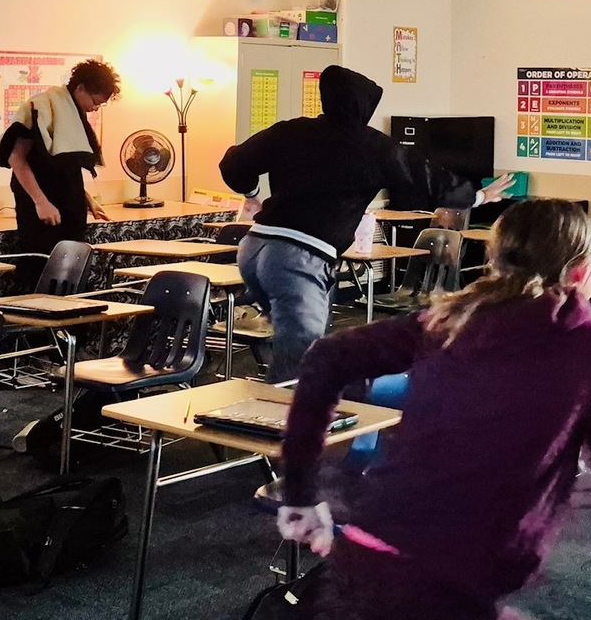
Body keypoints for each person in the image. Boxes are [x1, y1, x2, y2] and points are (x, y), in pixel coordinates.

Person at [276, 198, 591, 620]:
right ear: (582, 273)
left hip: (361, 565)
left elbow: (323, 359)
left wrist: (299, 492)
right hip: (441, 593)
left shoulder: (451, 318)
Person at [218, 64, 512, 384]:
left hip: (253, 249)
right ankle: (283, 426)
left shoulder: (291, 130)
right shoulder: (371, 145)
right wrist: (479, 196)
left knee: (292, 338)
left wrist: (251, 193)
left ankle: (277, 409)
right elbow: (425, 180)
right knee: (301, 360)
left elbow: (234, 163)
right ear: (364, 105)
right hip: (297, 257)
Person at [0, 59, 114, 254]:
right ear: (81, 88)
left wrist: (84, 197)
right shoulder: (42, 105)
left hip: (67, 204)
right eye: (95, 102)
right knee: (43, 263)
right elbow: (17, 158)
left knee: (72, 265)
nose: (95, 108)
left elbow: (63, 164)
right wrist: (41, 202)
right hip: (40, 204)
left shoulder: (74, 112)